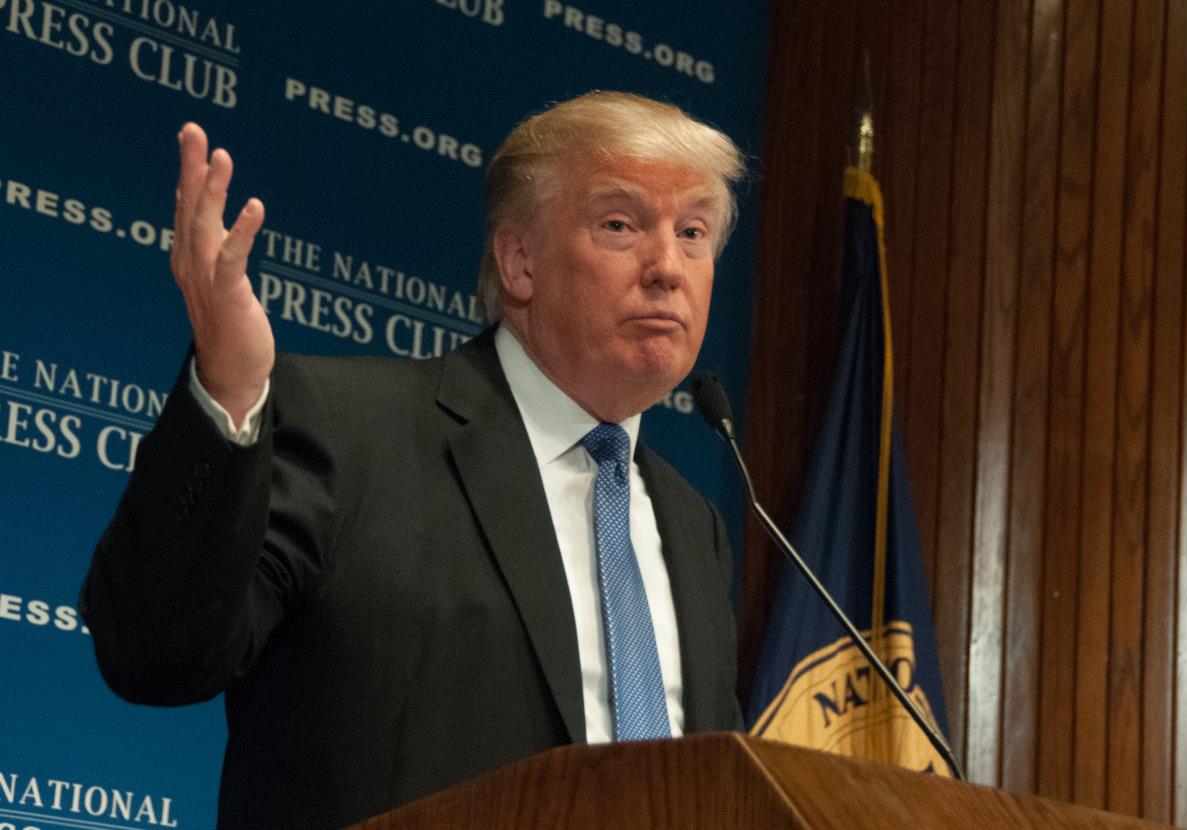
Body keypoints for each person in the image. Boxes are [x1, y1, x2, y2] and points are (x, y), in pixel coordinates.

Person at [81, 91, 747, 829]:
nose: (668, 267)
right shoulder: (348, 431)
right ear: (519, 261)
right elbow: (157, 654)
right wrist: (228, 393)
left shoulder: (695, 527)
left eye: (693, 233)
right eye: (619, 225)